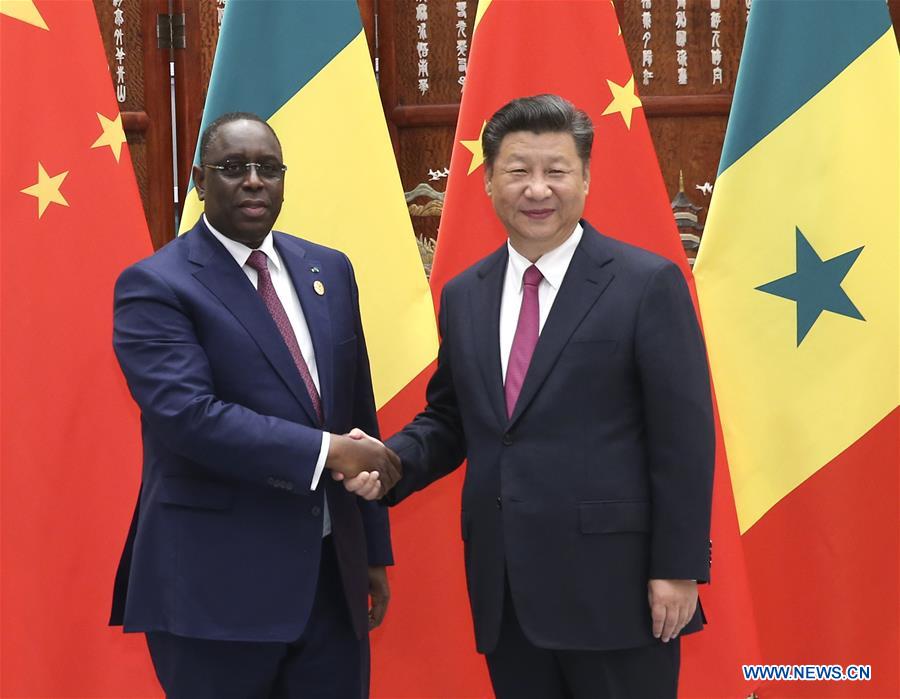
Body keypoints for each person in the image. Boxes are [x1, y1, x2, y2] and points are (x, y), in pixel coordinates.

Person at [352, 94, 714, 698]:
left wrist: (677, 569)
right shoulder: (467, 293)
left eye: (556, 171)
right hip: (506, 588)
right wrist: (389, 463)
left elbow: (684, 438)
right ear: (489, 180)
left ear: (586, 179)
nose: (537, 189)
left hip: (617, 591)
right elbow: (453, 418)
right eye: (519, 171)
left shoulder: (646, 283)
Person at [109, 112, 401, 699]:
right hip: (215, 588)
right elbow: (190, 417)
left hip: (328, 578)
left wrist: (369, 549)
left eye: (268, 169)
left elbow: (357, 417)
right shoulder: (156, 285)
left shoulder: (330, 270)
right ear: (198, 180)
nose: (252, 182)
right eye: (232, 168)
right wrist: (326, 453)